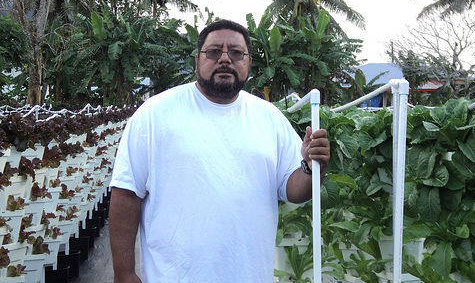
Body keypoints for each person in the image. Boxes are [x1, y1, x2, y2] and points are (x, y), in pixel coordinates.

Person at [109, 19, 330, 283]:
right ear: (197, 60)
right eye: (214, 51)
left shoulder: (269, 118)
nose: (225, 59)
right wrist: (124, 273)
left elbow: (293, 190)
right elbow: (126, 193)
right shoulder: (155, 114)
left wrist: (310, 166)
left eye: (236, 52)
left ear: (248, 62)